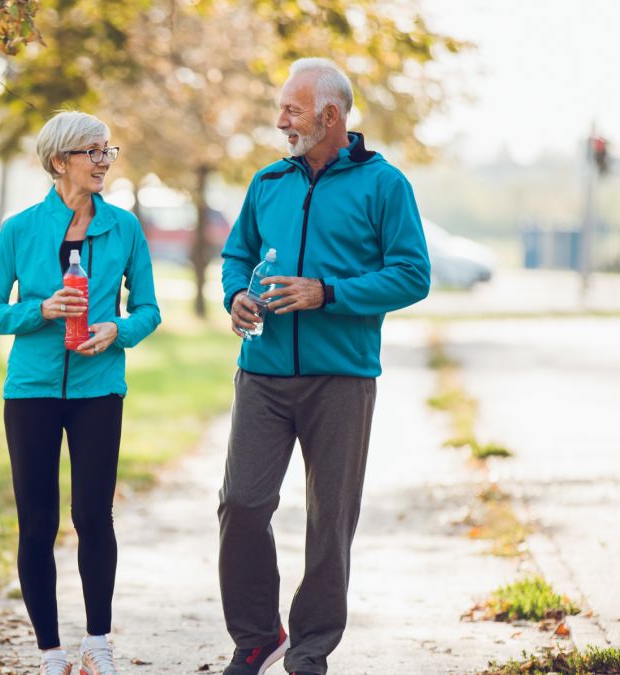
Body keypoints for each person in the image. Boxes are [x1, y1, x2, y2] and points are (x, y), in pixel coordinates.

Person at [216, 58, 431, 675]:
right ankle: (256, 635)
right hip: (262, 371)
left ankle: (310, 649)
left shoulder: (384, 185)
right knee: (243, 504)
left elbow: (412, 275)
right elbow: (237, 254)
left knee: (329, 518)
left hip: (342, 377)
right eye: (282, 107)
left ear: (330, 116)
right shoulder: (267, 183)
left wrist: (326, 292)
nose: (280, 120)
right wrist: (235, 295)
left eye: (292, 109)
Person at [0, 110, 161, 675]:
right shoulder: (20, 230)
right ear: (60, 162)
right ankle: (51, 653)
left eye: (108, 151)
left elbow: (149, 309)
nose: (104, 161)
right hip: (30, 391)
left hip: (98, 389)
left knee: (93, 517)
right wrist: (40, 310)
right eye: (92, 152)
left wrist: (118, 330)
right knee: (36, 522)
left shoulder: (124, 228)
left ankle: (98, 643)